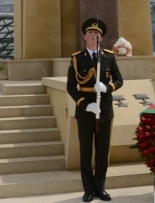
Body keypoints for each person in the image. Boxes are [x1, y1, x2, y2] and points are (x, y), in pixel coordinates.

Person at [67, 18, 123, 202]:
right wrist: (85, 104)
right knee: (85, 152)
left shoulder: (108, 56)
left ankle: (100, 187)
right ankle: (88, 190)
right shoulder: (76, 58)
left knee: (102, 151)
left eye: (97, 34)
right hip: (85, 111)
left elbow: (119, 80)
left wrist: (107, 88)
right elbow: (71, 87)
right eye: (90, 33)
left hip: (104, 111)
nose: (94, 35)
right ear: (84, 36)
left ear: (101, 38)